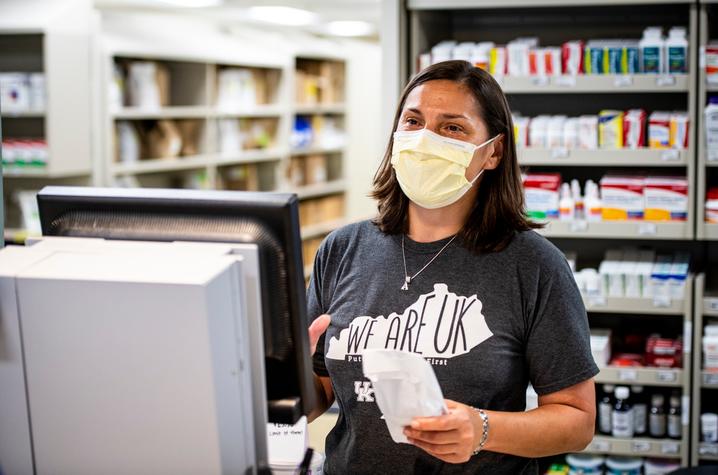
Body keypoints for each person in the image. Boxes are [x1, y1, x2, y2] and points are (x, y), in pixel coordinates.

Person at [306, 60, 598, 474]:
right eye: (413, 120)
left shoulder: (533, 265)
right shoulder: (342, 249)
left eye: (452, 128)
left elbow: (577, 421)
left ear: (493, 151)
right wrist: (283, 378)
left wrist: (482, 429)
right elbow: (321, 391)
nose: (425, 139)